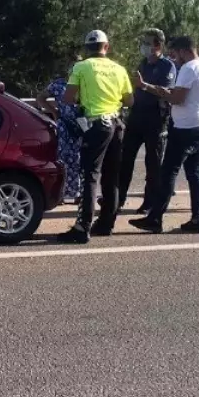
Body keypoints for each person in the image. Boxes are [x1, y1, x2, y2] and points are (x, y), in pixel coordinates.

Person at [129, 35, 199, 235]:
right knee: (194, 174)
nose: (173, 57)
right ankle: (197, 218)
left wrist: (148, 87)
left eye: (175, 53)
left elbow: (177, 98)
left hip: (186, 128)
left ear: (184, 51)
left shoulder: (189, 69)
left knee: (167, 173)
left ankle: (155, 218)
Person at [57, 30, 133, 244]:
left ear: (87, 49)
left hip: (96, 125)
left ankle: (83, 227)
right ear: (106, 47)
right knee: (112, 176)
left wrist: (84, 96)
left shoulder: (81, 67)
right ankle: (107, 223)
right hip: (117, 124)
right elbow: (130, 101)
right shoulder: (119, 69)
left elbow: (68, 97)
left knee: (90, 175)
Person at [117, 28, 176, 213]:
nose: (143, 46)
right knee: (124, 160)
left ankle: (149, 203)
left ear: (157, 45)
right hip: (136, 118)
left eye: (147, 42)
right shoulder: (143, 63)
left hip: (156, 119)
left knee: (153, 164)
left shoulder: (167, 66)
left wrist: (144, 86)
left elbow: (166, 92)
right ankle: (117, 199)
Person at [36, 58, 84, 205]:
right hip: (65, 126)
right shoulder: (59, 84)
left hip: (83, 126)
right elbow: (40, 98)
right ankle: (61, 194)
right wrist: (54, 111)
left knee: (82, 160)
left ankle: (80, 193)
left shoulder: (87, 84)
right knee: (63, 159)